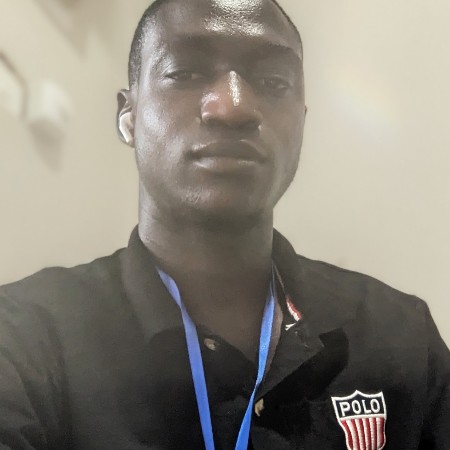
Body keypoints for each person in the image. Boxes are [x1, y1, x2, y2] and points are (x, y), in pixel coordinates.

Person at [0, 0, 448, 448]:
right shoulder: (24, 341)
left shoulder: (402, 339)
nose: (233, 107)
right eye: (185, 73)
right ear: (128, 114)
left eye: (273, 82)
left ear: (301, 122)